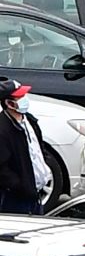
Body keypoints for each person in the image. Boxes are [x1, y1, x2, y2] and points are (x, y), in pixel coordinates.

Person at [0, 79, 53, 216]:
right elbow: (2, 169)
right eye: (20, 97)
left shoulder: (30, 121)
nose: (25, 99)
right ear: (9, 103)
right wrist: (21, 186)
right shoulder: (3, 130)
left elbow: (39, 149)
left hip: (36, 195)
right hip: (16, 200)